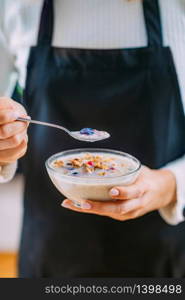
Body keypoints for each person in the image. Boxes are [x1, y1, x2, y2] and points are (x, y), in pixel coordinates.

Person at [0, 0, 185, 277]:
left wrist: (171, 185)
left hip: (162, 256)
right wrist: (4, 144)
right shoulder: (13, 5)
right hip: (50, 254)